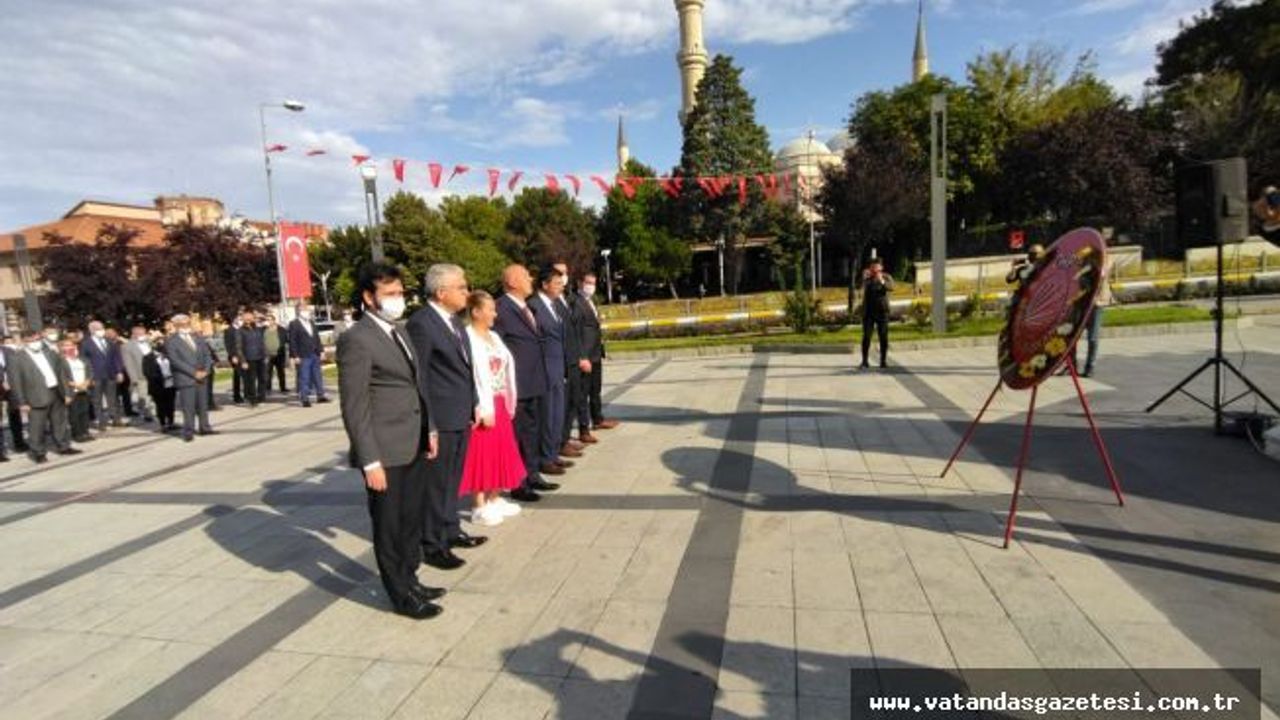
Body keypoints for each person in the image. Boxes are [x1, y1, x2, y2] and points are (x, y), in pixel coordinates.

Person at [337, 262, 445, 620]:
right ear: (369, 297)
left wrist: (429, 429)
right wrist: (370, 460)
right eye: (390, 294)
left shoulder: (400, 331)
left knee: (411, 519)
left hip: (413, 441)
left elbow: (417, 384)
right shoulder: (357, 339)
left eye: (400, 292)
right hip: (384, 451)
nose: (398, 299)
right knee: (389, 525)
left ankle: (411, 579)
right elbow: (354, 406)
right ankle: (400, 594)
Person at [406, 264, 486, 571]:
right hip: (440, 418)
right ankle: (432, 543)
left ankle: (451, 529)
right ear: (441, 292)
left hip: (460, 413)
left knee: (453, 479)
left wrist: (474, 402)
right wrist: (429, 424)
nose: (467, 292)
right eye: (461, 287)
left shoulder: (454, 321)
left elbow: (465, 368)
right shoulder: (422, 324)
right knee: (436, 484)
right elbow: (420, 378)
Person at [459, 290, 526, 526]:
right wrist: (479, 406)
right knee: (481, 454)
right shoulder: (467, 337)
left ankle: (494, 497)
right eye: (490, 310)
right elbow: (470, 376)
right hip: (483, 403)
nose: (495, 314)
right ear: (476, 312)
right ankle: (478, 505)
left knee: (502, 450)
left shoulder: (494, 336)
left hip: (500, 400)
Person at [493, 264, 558, 502]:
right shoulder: (501, 309)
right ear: (512, 282)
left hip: (535, 380)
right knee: (518, 436)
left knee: (532, 433)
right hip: (517, 385)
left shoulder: (527, 307)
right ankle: (518, 483)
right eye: (525, 276)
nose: (530, 279)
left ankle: (532, 474)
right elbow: (497, 347)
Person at [528, 268, 575, 476]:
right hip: (545, 369)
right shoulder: (534, 306)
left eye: (561, 283)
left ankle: (553, 453)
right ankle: (545, 458)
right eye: (556, 283)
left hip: (558, 368)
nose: (561, 287)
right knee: (547, 416)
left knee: (557, 414)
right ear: (545, 285)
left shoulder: (554, 305)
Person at [9, 329, 80, 463]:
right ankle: (38, 452)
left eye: (37, 339)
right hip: (35, 396)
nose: (36, 343)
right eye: (32, 340)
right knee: (37, 427)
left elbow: (61, 374)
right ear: (24, 341)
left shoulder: (49, 353)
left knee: (60, 422)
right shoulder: (16, 358)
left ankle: (63, 446)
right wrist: (22, 402)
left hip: (56, 391)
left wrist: (67, 392)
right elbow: (15, 382)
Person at [575, 272, 619, 434]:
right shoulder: (575, 302)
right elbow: (576, 332)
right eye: (588, 283)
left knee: (596, 389)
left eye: (593, 283)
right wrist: (582, 356)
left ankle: (598, 419)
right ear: (580, 283)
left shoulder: (590, 301)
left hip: (595, 352)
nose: (591, 287)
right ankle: (584, 428)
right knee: (583, 392)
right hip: (585, 355)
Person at [168, 314, 216, 442]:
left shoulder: (198, 337)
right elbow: (175, 361)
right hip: (186, 378)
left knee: (203, 405)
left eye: (188, 323)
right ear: (176, 325)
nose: (186, 326)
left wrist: (206, 370)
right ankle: (188, 431)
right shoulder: (172, 341)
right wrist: (193, 373)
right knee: (188, 407)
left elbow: (207, 355)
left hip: (202, 376)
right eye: (183, 324)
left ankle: (204, 427)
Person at [1073, 259, 1115, 378]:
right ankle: (1071, 365)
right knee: (1072, 336)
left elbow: (1102, 273)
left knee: (1092, 337)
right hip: (1080, 302)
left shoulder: (1105, 258)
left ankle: (1090, 367)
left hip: (1096, 302)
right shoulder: (1082, 257)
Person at [81, 320, 125, 429]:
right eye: (98, 329)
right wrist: (88, 377)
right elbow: (84, 361)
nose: (101, 331)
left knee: (113, 398)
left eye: (102, 328)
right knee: (97, 400)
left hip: (110, 374)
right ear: (91, 330)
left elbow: (116, 357)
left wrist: (119, 371)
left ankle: (116, 419)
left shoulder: (109, 342)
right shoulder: (86, 344)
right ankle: (101, 421)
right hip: (95, 376)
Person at [289, 305, 329, 407]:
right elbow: (292, 341)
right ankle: (305, 398)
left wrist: (321, 351)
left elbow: (316, 337)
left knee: (317, 375)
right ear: (299, 311)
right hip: (303, 354)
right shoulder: (294, 324)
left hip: (315, 353)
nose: (307, 312)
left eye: (307, 310)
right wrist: (295, 356)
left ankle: (320, 395)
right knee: (304, 377)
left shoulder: (311, 322)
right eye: (305, 310)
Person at [859, 259, 895, 370]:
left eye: (876, 267)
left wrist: (881, 281)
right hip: (868, 312)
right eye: (872, 267)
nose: (874, 269)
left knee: (883, 336)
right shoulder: (867, 278)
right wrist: (864, 278)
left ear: (881, 268)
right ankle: (864, 361)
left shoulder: (886, 277)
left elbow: (891, 287)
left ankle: (883, 361)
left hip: (882, 312)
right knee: (866, 337)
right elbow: (861, 289)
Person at [60, 339, 94, 443]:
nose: (69, 347)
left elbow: (90, 371)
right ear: (62, 348)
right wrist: (74, 384)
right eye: (66, 345)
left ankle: (85, 431)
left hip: (84, 389)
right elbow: (62, 377)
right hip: (72, 390)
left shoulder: (82, 359)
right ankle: (77, 434)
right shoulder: (61, 361)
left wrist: (87, 382)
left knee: (84, 412)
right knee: (74, 413)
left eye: (71, 345)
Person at [121, 325, 155, 424]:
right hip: (140, 375)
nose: (144, 335)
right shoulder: (127, 346)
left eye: (144, 333)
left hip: (152, 374)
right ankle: (147, 413)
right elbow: (128, 364)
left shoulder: (148, 343)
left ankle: (143, 408)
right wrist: (133, 378)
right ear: (134, 334)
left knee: (150, 395)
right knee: (144, 395)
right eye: (141, 334)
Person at [143, 338, 177, 433]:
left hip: (170, 384)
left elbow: (174, 367)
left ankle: (171, 422)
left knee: (170, 404)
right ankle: (163, 423)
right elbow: (147, 372)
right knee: (160, 405)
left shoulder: (169, 356)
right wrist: (161, 377)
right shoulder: (148, 358)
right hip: (157, 386)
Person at [237, 309, 267, 407]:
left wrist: (265, 355)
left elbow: (262, 343)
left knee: (263, 379)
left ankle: (261, 398)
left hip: (260, 357)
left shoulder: (257, 329)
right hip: (249, 358)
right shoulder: (240, 331)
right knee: (251, 380)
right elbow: (239, 347)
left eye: (250, 318)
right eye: (246, 318)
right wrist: (243, 361)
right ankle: (252, 399)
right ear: (243, 319)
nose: (248, 320)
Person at [264, 314, 289, 394]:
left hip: (279, 354)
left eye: (270, 320)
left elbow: (286, 340)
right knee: (268, 372)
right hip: (268, 355)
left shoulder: (281, 329)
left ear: (274, 321)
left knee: (281, 372)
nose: (269, 321)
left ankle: (283, 388)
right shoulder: (264, 330)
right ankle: (268, 388)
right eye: (267, 320)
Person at [223, 313, 245, 404]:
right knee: (237, 375)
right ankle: (237, 396)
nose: (239, 320)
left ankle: (247, 394)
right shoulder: (229, 330)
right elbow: (228, 345)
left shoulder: (242, 328)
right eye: (237, 318)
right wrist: (232, 356)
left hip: (244, 355)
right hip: (235, 356)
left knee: (246, 375)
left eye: (240, 318)